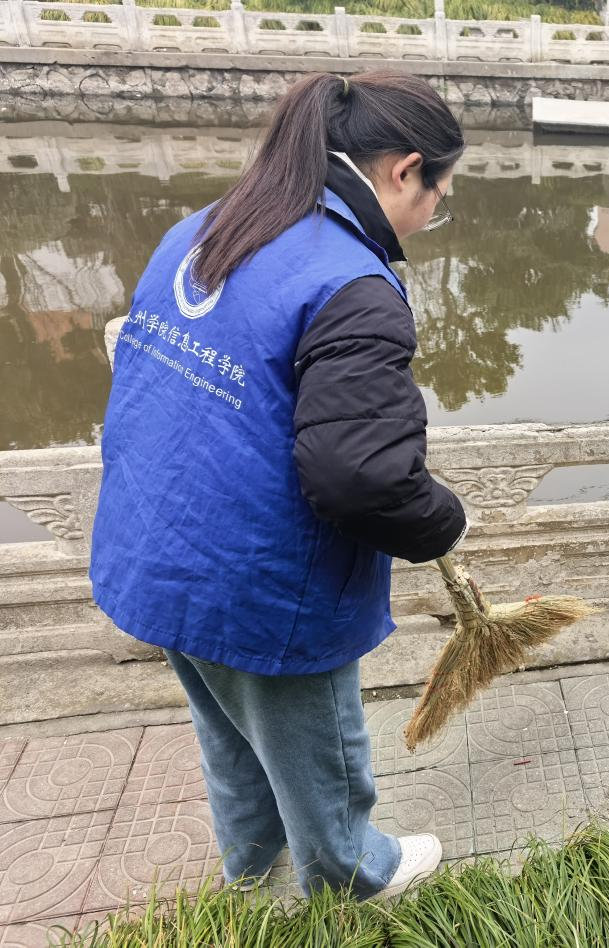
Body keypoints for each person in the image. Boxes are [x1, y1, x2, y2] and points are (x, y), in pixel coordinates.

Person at [90, 72, 468, 898]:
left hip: (154, 546)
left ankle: (251, 868)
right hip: (256, 580)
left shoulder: (205, 226)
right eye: (441, 195)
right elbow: (362, 476)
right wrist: (444, 520)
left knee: (229, 731)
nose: (433, 213)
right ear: (406, 170)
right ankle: (353, 876)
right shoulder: (352, 283)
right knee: (317, 746)